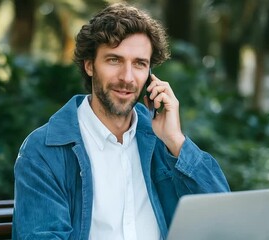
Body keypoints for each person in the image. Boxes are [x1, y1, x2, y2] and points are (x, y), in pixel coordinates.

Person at [12, 2, 230, 240]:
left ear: (150, 74)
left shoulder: (161, 142)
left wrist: (176, 141)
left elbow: (223, 218)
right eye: (114, 60)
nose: (127, 78)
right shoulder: (44, 150)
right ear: (89, 65)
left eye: (139, 64)